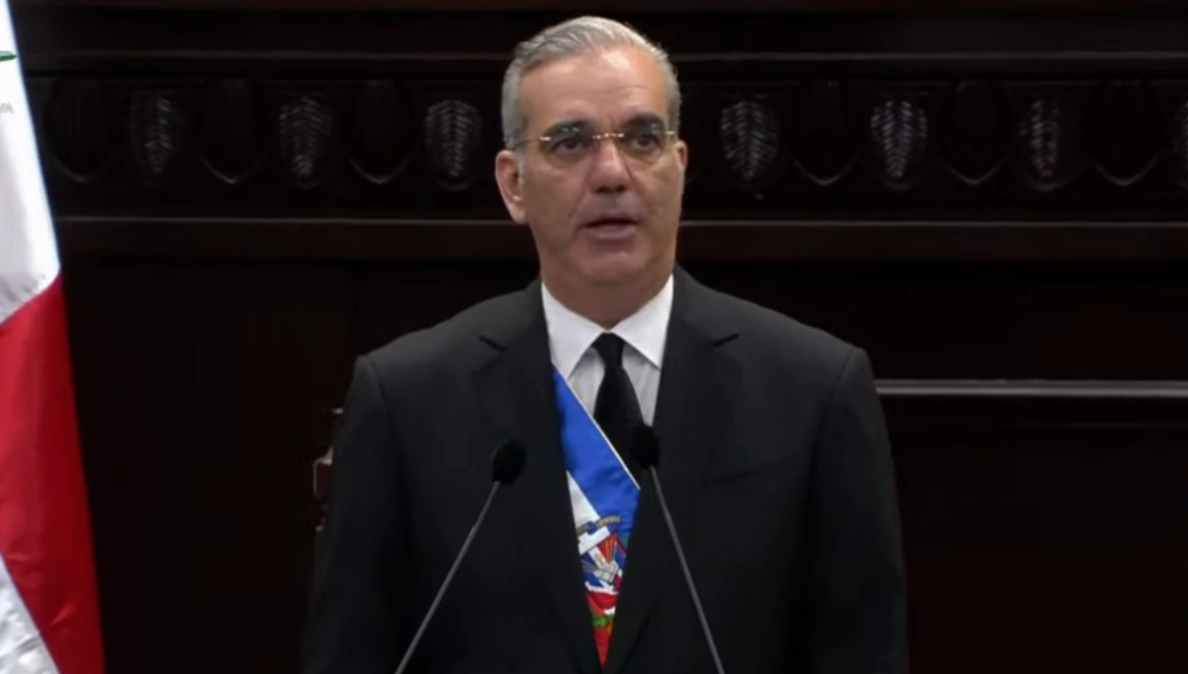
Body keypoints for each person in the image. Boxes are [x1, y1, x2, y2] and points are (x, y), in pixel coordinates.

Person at [301, 15, 907, 674]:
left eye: (643, 139)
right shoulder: (408, 399)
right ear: (513, 183)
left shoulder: (812, 391)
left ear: (679, 168)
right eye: (570, 142)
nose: (613, 173)